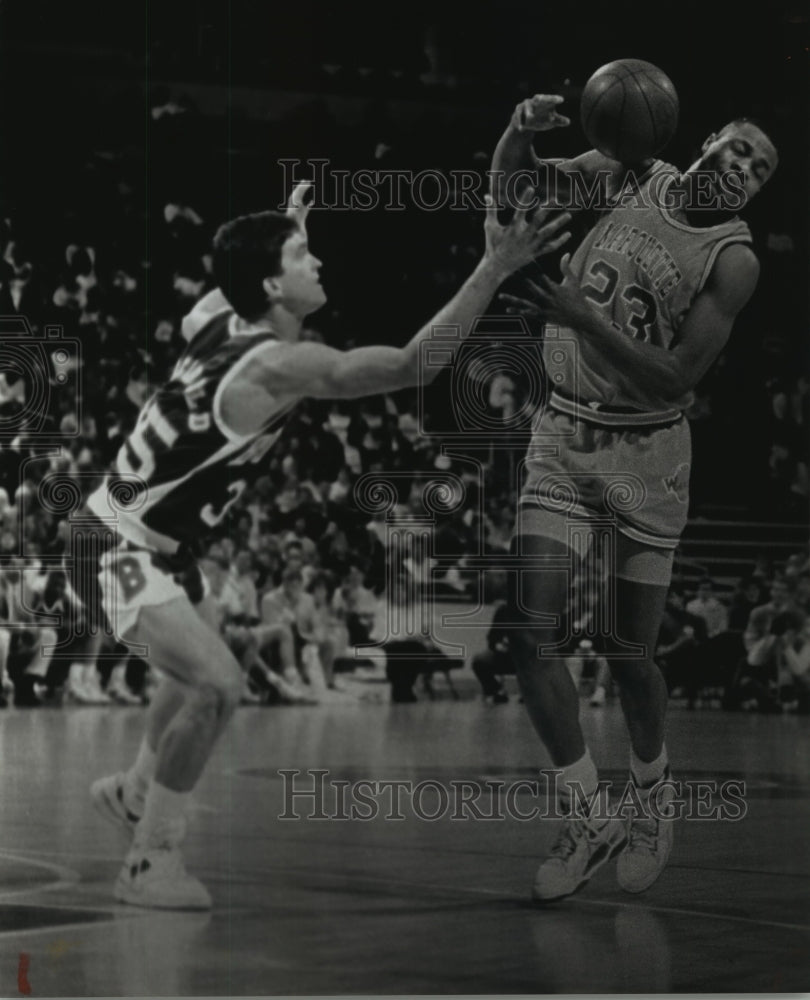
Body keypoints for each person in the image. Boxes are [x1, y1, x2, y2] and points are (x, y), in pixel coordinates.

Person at [81, 182, 571, 909]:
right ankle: (150, 861)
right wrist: (494, 267)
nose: (319, 261)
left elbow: (227, 286)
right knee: (217, 684)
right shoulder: (279, 366)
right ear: (273, 283)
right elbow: (412, 366)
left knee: (193, 674)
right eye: (302, 254)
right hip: (115, 547)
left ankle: (132, 792)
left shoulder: (217, 318)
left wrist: (284, 227)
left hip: (146, 540)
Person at [492, 94, 778, 900]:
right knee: (526, 634)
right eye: (739, 149)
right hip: (562, 433)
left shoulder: (733, 259)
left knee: (629, 655)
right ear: (711, 138)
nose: (744, 169)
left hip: (647, 452)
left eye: (760, 170)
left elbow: (679, 376)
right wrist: (517, 129)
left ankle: (652, 793)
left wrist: (581, 317)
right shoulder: (627, 173)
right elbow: (520, 187)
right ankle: (588, 813)